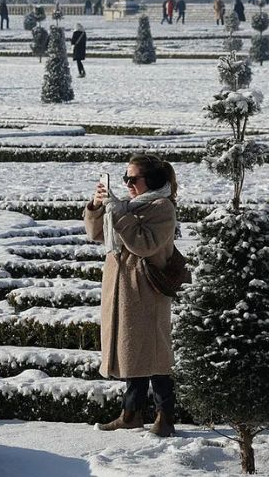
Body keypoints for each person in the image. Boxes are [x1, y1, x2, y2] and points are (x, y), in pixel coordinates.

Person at [85, 154, 179, 437]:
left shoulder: (162, 207)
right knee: (132, 353)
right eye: (125, 178)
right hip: (122, 287)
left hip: (146, 290)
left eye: (133, 178)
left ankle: (165, 417)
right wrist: (97, 206)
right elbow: (96, 234)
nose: (127, 183)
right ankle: (131, 414)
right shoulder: (126, 205)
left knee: (155, 353)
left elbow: (143, 244)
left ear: (151, 180)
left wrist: (118, 212)